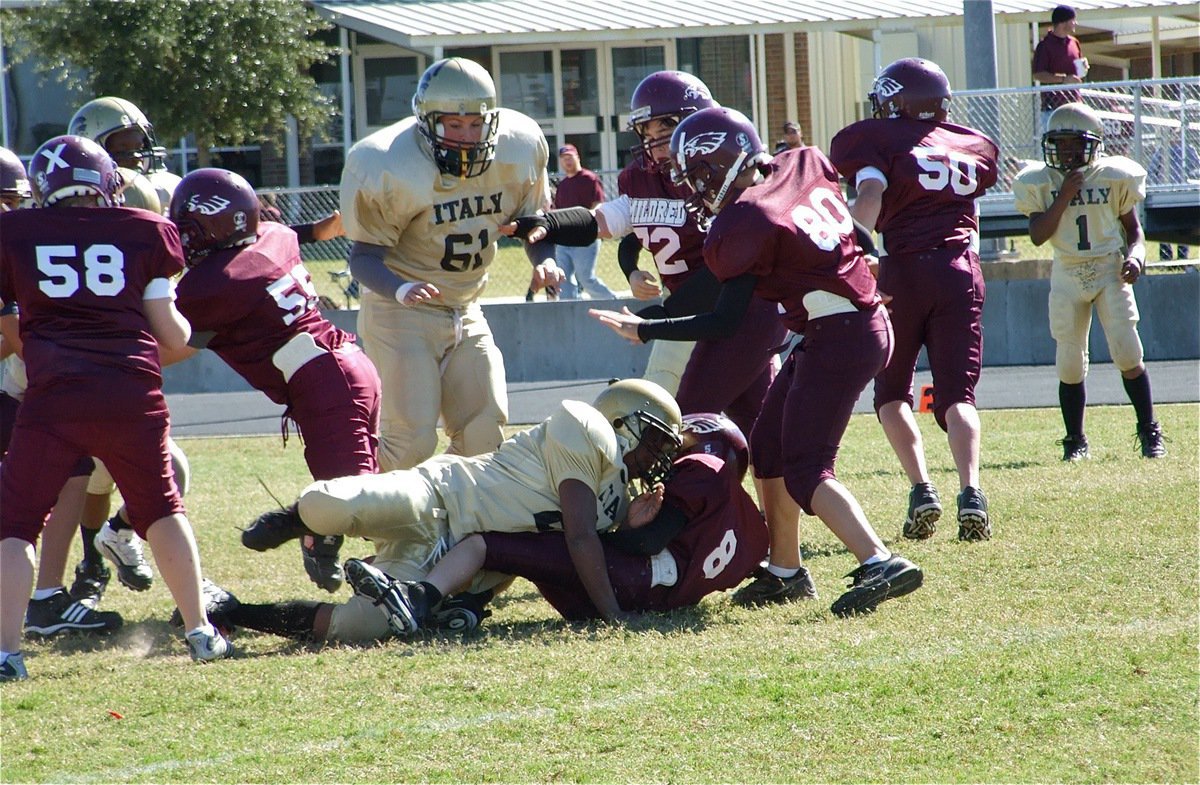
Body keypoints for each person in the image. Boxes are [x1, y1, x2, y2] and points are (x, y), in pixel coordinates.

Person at [589, 107, 925, 617]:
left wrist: (647, 328)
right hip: (840, 326)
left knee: (807, 468)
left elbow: (723, 320)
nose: (697, 191)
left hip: (841, 334)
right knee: (767, 445)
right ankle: (785, 572)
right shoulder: (802, 162)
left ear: (719, 164)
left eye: (698, 177)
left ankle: (879, 560)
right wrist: (868, 260)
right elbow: (853, 227)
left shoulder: (747, 218)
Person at [504, 71, 798, 607]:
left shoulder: (721, 174)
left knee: (669, 433)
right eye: (648, 130)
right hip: (701, 319)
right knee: (764, 446)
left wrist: (657, 316)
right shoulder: (646, 177)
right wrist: (547, 223)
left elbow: (730, 269)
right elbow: (610, 219)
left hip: (737, 315)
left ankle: (668, 555)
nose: (654, 140)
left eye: (666, 127)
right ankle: (784, 565)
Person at [0, 135, 232, 681]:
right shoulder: (143, 231)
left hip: (53, 393)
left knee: (14, 523)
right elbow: (172, 333)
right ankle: (200, 631)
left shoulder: (12, 232)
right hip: (130, 391)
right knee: (161, 508)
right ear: (106, 182)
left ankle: (8, 653)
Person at [222, 379, 682, 642]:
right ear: (621, 420)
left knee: (361, 628)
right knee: (332, 504)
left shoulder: (618, 498)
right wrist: (613, 615)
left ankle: (235, 611)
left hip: (464, 556)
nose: (657, 453)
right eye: (656, 439)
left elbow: (562, 552)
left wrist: (625, 529)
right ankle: (296, 521)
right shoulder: (586, 426)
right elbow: (579, 538)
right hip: (444, 495)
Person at [339, 57, 563, 474]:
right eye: (453, 126)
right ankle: (342, 511)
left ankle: (448, 518)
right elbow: (363, 258)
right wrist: (402, 289)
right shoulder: (386, 161)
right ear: (426, 122)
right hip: (400, 310)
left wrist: (544, 260)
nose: (466, 137)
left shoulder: (520, 146)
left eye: (475, 125)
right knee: (411, 441)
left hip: (465, 307)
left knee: (484, 433)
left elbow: (532, 227)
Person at [164, 168, 382, 592]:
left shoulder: (213, 284)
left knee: (364, 501)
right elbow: (292, 232)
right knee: (354, 488)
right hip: (350, 367)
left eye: (187, 229)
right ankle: (319, 535)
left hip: (325, 385)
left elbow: (171, 346)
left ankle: (298, 521)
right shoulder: (274, 236)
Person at [345, 412, 767, 630]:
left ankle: (419, 596)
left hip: (627, 582)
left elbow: (642, 543)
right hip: (656, 596)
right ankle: (468, 601)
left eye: (676, 446)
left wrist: (627, 533)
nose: (667, 456)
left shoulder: (703, 469)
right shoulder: (754, 534)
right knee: (527, 546)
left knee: (491, 540)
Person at [830, 57, 999, 542]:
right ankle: (972, 492)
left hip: (902, 270)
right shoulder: (971, 145)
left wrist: (844, 245)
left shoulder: (876, 142)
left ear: (895, 100)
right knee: (957, 397)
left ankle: (922, 487)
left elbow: (869, 196)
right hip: (960, 270)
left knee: (891, 393)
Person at [1013, 102, 1166, 460]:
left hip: (1107, 267)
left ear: (1092, 144)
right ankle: (1075, 440)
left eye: (1073, 143)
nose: (1066, 151)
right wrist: (1065, 194)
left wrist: (1136, 257)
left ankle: (1150, 432)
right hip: (1067, 269)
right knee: (1069, 359)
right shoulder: (1042, 182)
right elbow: (1037, 235)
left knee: (1128, 350)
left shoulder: (1112, 176)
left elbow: (1135, 232)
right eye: (1059, 143)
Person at [69, 95, 182, 209]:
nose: (136, 158)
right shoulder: (81, 201)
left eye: (140, 147)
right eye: (122, 150)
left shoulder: (165, 191)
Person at [552, 144, 614, 300]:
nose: (567, 162)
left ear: (577, 158)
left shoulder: (589, 178)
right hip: (564, 239)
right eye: (563, 159)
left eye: (570, 158)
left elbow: (598, 203)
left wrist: (588, 219)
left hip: (585, 237)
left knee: (586, 278)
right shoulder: (563, 185)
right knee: (563, 278)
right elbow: (558, 211)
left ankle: (612, 302)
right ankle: (569, 308)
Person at [1032, 5, 1088, 130]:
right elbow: (1038, 74)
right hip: (1052, 109)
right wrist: (1063, 80)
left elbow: (1078, 74)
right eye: (1073, 20)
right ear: (1063, 22)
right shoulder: (1045, 45)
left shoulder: (1074, 42)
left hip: (1075, 106)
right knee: (1053, 146)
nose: (1075, 23)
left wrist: (1083, 68)